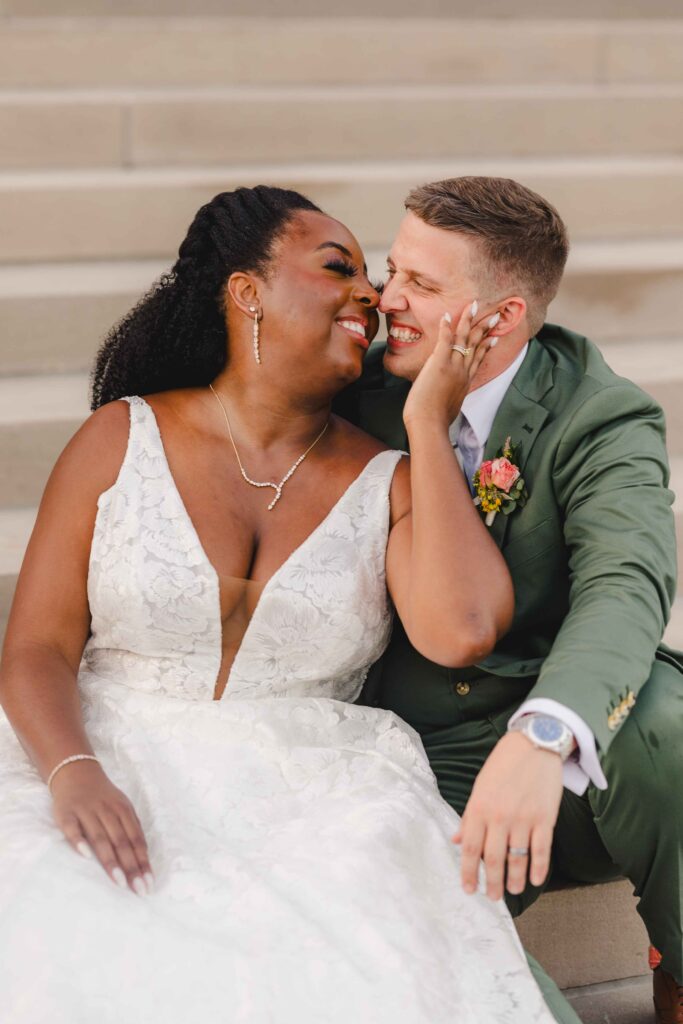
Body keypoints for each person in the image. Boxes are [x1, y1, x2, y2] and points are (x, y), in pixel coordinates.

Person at [0, 186, 568, 1022]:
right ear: (246, 291)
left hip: (314, 797)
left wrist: (425, 421)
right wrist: (74, 772)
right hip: (101, 750)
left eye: (368, 277)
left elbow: (462, 630)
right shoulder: (120, 438)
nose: (371, 295)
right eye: (336, 267)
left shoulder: (391, 479)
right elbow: (37, 648)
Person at [339, 175, 683, 1024]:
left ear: (501, 318)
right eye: (393, 272)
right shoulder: (357, 393)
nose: (388, 301)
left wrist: (542, 731)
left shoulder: (597, 414)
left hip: (558, 743)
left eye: (421, 286)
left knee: (665, 724)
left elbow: (625, 583)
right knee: (412, 937)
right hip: (414, 740)